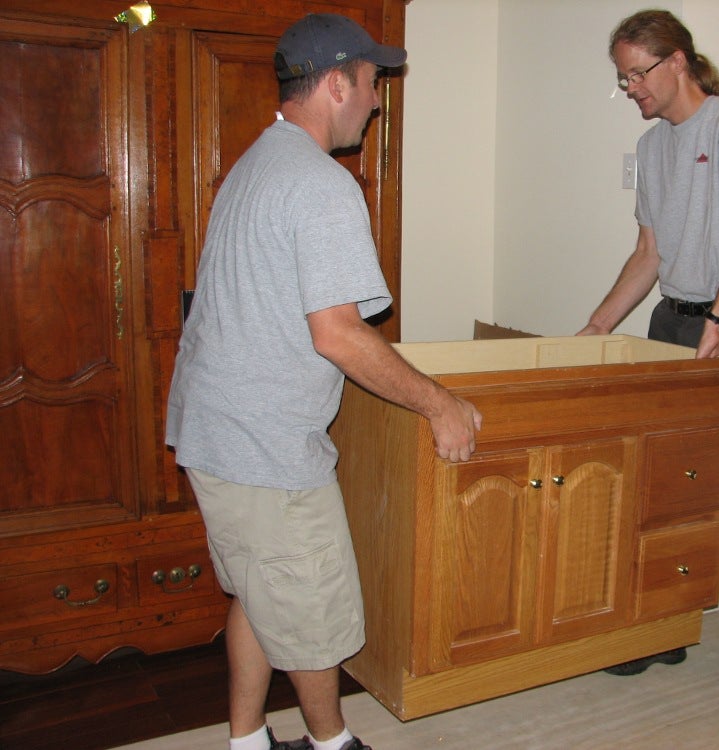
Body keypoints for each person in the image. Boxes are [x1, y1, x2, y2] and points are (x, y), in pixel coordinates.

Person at [165, 14, 482, 750]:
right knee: (313, 615)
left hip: (213, 432)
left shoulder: (256, 163)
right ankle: (333, 744)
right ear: (337, 82)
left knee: (259, 588)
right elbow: (337, 332)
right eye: (373, 84)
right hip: (265, 448)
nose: (377, 101)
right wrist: (440, 403)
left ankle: (246, 741)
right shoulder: (321, 185)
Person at [579, 9, 719, 689]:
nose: (630, 87)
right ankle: (661, 624)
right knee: (662, 480)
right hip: (674, 321)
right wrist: (597, 327)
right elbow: (649, 253)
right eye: (623, 77)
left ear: (676, 62)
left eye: (637, 73)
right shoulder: (655, 147)